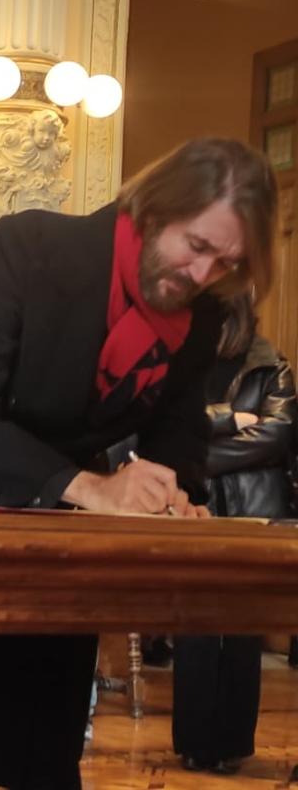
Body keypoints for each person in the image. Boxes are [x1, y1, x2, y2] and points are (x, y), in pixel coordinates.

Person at [0, 137, 277, 790]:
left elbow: (178, 430)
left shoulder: (198, 316)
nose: (203, 275)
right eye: (196, 247)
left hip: (62, 529)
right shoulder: (28, 249)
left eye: (225, 263)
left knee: (48, 739)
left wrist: (171, 488)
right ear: (152, 209)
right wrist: (91, 485)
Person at [172, 293, 295, 776]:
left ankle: (231, 745)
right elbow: (168, 429)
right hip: (194, 507)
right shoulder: (184, 362)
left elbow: (277, 437)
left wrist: (198, 456)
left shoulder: (271, 364)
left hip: (253, 510)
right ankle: (194, 743)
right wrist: (230, 419)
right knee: (194, 627)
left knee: (243, 628)